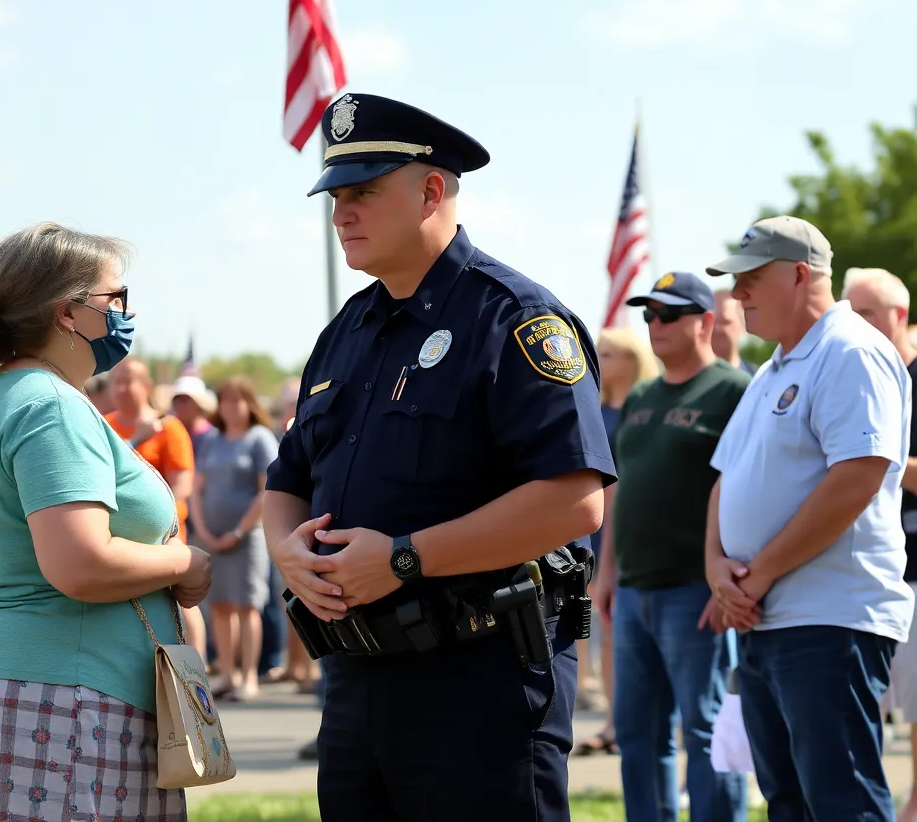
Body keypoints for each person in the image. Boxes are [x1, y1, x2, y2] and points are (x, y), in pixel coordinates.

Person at [262, 93, 614, 821]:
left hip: (479, 683)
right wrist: (286, 551)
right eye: (335, 196)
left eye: (362, 193)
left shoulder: (514, 318)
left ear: (430, 190)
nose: (341, 214)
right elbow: (286, 480)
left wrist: (402, 557)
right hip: (357, 679)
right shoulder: (347, 332)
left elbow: (574, 499)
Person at [0, 221, 212, 821]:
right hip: (62, 702)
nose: (125, 314)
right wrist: (184, 561)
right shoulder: (51, 405)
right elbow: (80, 563)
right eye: (115, 300)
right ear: (67, 314)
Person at [704, 217, 914, 822]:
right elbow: (726, 480)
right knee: (790, 805)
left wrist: (758, 574)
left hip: (830, 615)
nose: (738, 294)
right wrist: (718, 569)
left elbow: (856, 478)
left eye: (751, 278)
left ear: (800, 275)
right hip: (768, 619)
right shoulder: (771, 368)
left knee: (840, 803)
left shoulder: (850, 350)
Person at [595, 272, 749, 822]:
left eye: (669, 314)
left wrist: (730, 581)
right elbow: (619, 492)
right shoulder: (639, 395)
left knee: (705, 730)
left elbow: (748, 492)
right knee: (639, 733)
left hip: (695, 591)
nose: (655, 325)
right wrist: (605, 573)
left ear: (705, 321)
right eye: (649, 315)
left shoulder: (733, 390)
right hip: (634, 592)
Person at [844, 267, 917, 822]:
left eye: (865, 312)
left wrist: (873, 458)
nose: (853, 322)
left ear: (899, 316)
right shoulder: (860, 371)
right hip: (868, 573)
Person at [574, 326, 657, 758]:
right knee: (599, 621)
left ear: (633, 359)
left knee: (624, 626)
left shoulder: (645, 408)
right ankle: (610, 717)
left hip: (634, 530)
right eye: (600, 352)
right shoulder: (595, 408)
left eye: (611, 353)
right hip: (595, 529)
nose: (602, 360)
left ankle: (640, 718)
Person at [106, 359, 208, 661]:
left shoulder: (168, 427)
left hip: (164, 535)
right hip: (119, 536)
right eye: (117, 381)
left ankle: (194, 669)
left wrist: (165, 523)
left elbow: (183, 483)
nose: (122, 389)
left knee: (181, 604)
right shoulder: (104, 424)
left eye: (130, 381)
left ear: (146, 386)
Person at [190, 377, 278, 701]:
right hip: (210, 538)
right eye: (225, 400)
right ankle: (226, 673)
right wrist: (204, 529)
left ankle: (248, 676)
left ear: (250, 404)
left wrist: (239, 531)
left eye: (237, 400)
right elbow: (197, 490)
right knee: (220, 607)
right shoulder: (212, 440)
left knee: (247, 606)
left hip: (246, 540)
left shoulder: (260, 438)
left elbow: (266, 491)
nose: (231, 407)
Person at [170, 375, 218, 460]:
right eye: (177, 400)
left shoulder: (213, 437)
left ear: (198, 403)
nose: (180, 405)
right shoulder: (172, 434)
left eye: (185, 400)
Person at [712, 290, 757, 375]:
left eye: (725, 322)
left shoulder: (756, 381)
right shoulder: (687, 381)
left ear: (743, 324)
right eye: (711, 322)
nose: (716, 328)